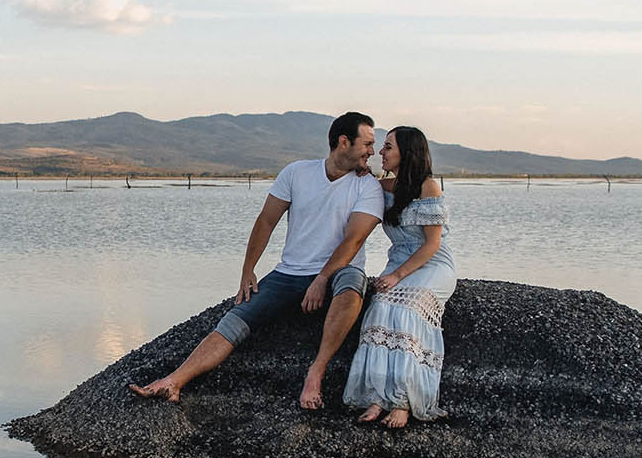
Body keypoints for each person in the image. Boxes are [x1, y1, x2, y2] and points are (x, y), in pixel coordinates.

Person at [130, 112, 383, 403]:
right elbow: (266, 221)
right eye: (367, 144)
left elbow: (354, 240)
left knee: (352, 288)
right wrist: (248, 269)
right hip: (289, 272)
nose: (372, 151)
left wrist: (322, 279)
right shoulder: (297, 172)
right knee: (236, 317)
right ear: (343, 142)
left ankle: (316, 372)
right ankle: (173, 382)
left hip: (339, 270)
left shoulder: (367, 186)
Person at [344, 126, 454, 427]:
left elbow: (432, 245)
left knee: (406, 309)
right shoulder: (382, 187)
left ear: (407, 152)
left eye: (388, 147)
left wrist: (396, 275)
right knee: (379, 308)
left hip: (432, 264)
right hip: (398, 263)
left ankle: (404, 400)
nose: (381, 152)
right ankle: (378, 397)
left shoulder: (428, 186)